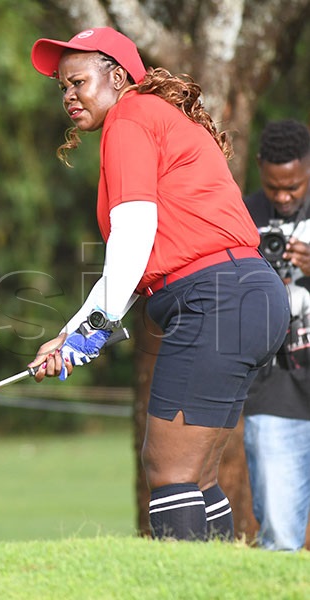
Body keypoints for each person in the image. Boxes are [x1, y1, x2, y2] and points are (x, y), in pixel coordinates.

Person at [27, 27, 290, 542]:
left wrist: (86, 335)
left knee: (167, 473)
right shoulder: (153, 115)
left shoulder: (129, 119)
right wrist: (76, 333)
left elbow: (132, 240)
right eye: (61, 87)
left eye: (78, 81)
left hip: (216, 298)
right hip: (249, 295)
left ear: (118, 76)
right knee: (198, 477)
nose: (68, 96)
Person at [242, 119, 310, 551]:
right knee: (280, 539)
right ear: (260, 168)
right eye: (273, 187)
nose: (283, 197)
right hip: (274, 388)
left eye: (294, 187)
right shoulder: (243, 215)